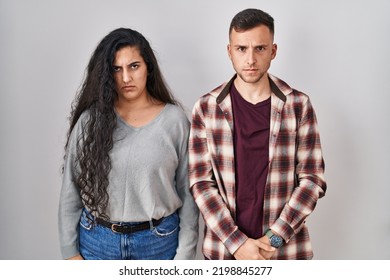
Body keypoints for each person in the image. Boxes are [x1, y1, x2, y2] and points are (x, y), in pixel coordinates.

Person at [188, 8, 327, 260]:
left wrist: (274, 238)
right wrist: (237, 243)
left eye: (260, 49)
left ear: (273, 51)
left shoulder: (298, 105)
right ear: (229, 51)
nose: (250, 59)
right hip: (225, 253)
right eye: (241, 49)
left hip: (285, 252)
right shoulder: (207, 108)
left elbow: (311, 180)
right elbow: (200, 183)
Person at [59, 27, 198, 260]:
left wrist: (184, 256)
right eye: (116, 69)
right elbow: (70, 190)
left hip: (159, 243)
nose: (126, 77)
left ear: (148, 68)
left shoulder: (175, 121)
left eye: (134, 66)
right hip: (96, 243)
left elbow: (189, 195)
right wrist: (70, 253)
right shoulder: (90, 121)